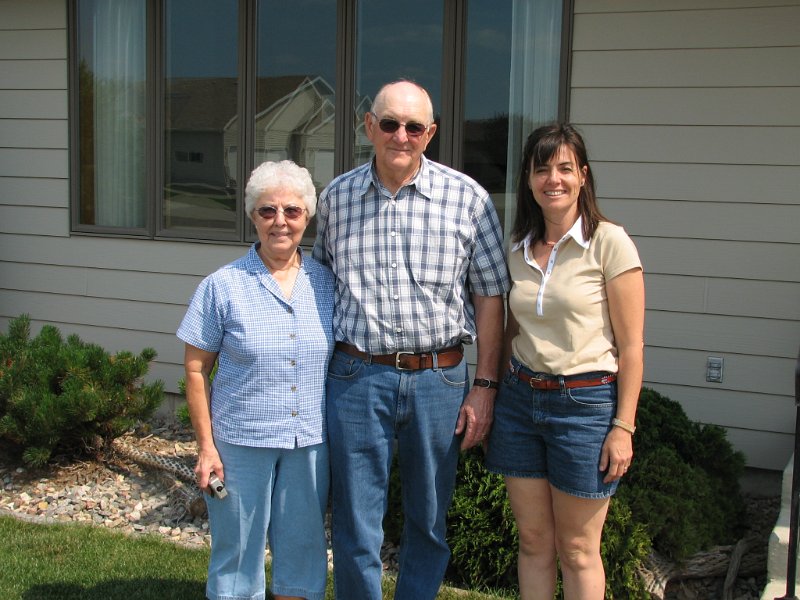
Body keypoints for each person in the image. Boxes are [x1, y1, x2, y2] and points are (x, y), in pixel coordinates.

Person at [312, 79, 509, 600]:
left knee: (427, 521)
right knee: (356, 525)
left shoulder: (468, 200)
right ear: (368, 126)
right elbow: (321, 286)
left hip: (439, 382)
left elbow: (491, 297)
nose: (402, 135)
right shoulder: (336, 200)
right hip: (357, 377)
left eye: (414, 126)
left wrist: (485, 385)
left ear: (431, 133)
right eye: (390, 123)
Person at [485, 123, 645, 600]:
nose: (552, 179)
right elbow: (515, 329)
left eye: (563, 168)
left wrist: (624, 426)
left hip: (585, 407)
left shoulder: (610, 243)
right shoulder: (517, 248)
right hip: (519, 404)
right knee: (534, 542)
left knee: (577, 549)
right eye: (541, 169)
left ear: (582, 177)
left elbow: (633, 346)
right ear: (529, 180)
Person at [177, 160, 335, 600]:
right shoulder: (222, 286)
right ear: (252, 216)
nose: (280, 222)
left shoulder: (327, 284)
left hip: (308, 444)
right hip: (240, 444)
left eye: (292, 211)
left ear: (308, 215)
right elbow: (194, 370)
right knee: (237, 556)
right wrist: (206, 448)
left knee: (303, 555)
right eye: (268, 211)